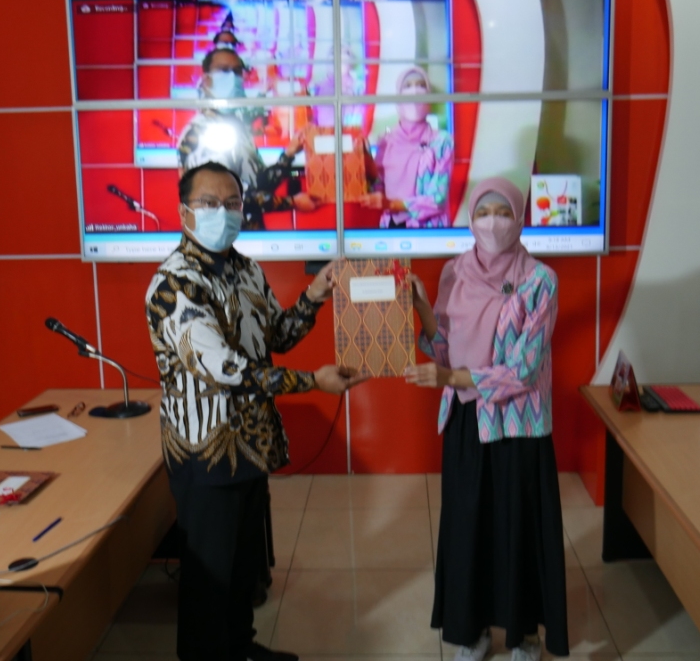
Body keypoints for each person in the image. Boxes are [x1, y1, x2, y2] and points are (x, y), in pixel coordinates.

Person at [146, 161, 366, 661]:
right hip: (206, 451)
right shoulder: (173, 286)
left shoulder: (245, 269)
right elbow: (226, 368)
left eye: (232, 203)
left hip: (252, 442)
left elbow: (277, 338)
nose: (222, 212)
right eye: (209, 203)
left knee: (243, 565)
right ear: (184, 213)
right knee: (209, 577)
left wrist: (315, 295)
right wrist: (313, 382)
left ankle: (240, 647)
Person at [404, 177, 568, 661]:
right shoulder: (454, 273)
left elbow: (523, 369)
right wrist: (422, 310)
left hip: (518, 427)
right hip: (466, 421)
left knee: (518, 531)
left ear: (519, 218)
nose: (492, 223)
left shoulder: (540, 280)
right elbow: (442, 348)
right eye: (482, 212)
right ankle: (472, 631)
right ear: (470, 219)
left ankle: (525, 635)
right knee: (467, 530)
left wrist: (452, 377)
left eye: (503, 212)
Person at [177, 48, 320, 228]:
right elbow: (221, 198)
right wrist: (292, 202)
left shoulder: (237, 128)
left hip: (251, 236)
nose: (232, 77)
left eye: (237, 71)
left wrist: (289, 153)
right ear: (206, 80)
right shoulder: (198, 131)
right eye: (223, 70)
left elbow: (259, 185)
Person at [360, 66, 454, 228]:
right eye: (408, 85)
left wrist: (392, 204)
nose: (415, 91)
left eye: (421, 85)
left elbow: (437, 199)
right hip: (391, 227)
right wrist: (365, 162)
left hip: (429, 230)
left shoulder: (442, 141)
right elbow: (378, 187)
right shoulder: (385, 141)